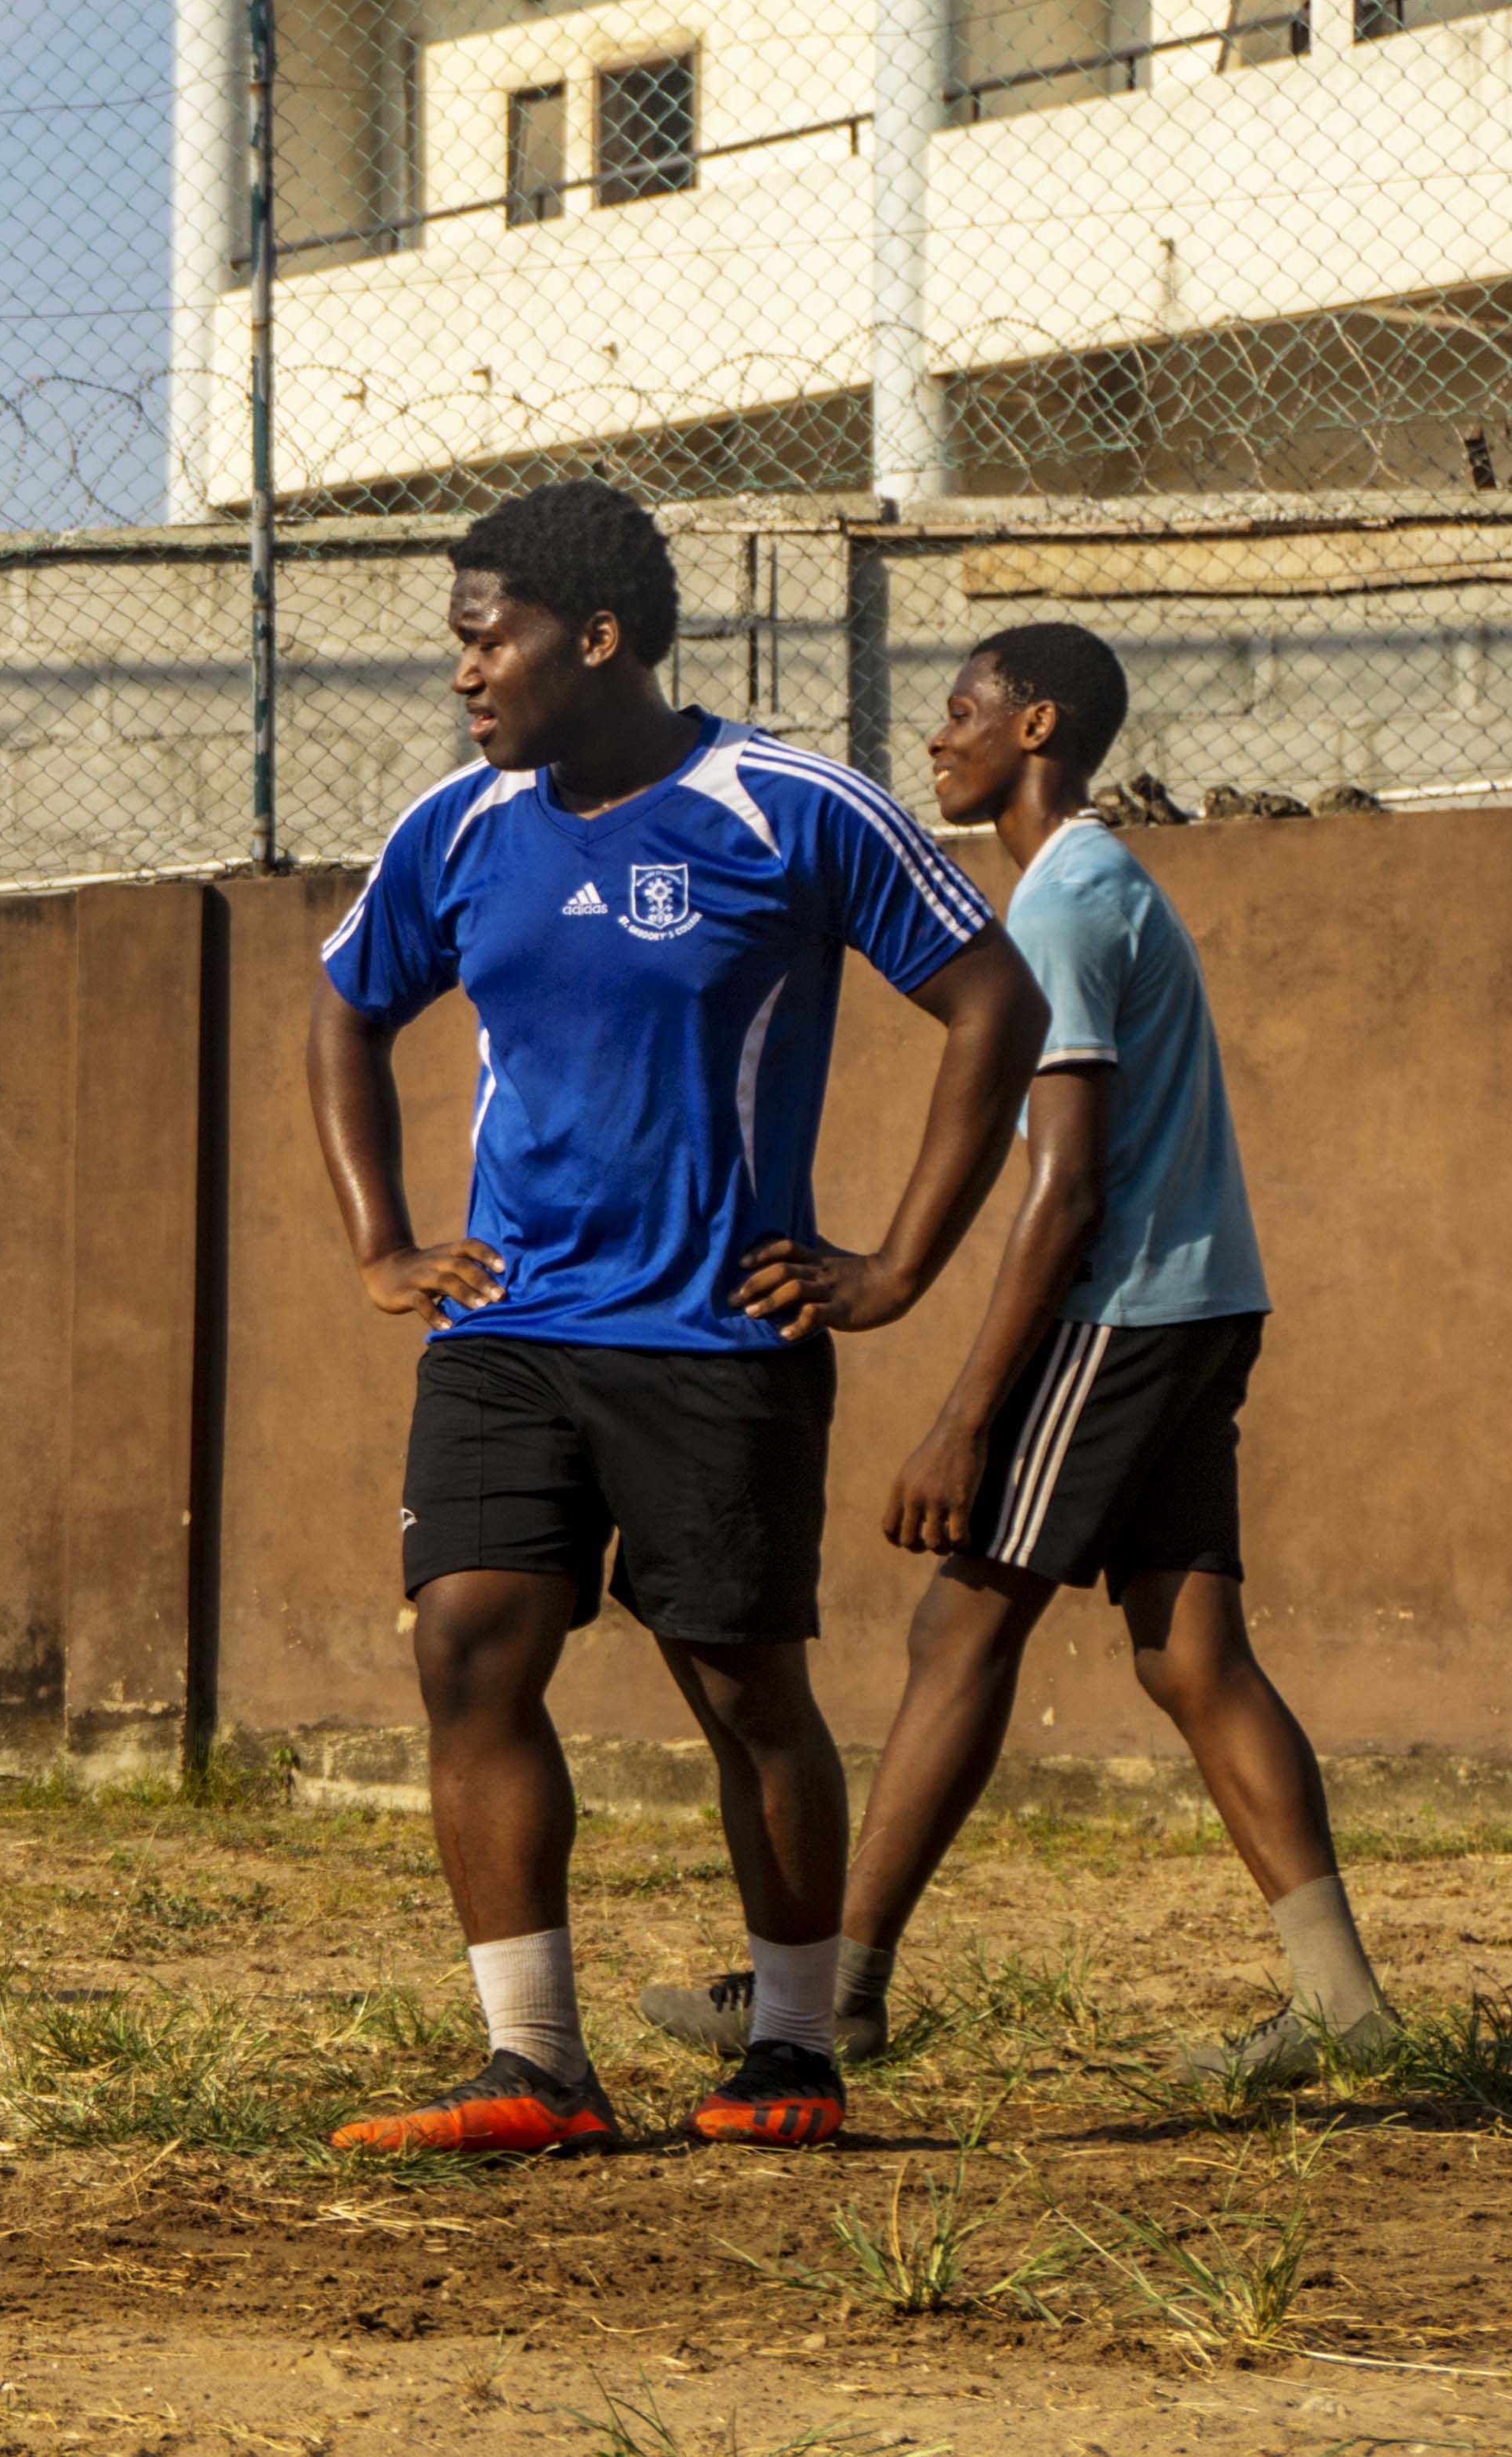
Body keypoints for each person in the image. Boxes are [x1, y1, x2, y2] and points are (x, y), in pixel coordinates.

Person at [309, 482, 1044, 2156]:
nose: (464, 677)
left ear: (598, 636)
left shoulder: (788, 805)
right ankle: (537, 2066)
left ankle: (791, 2050)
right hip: (505, 1327)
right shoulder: (460, 828)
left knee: (740, 1682)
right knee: (466, 1641)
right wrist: (383, 1241)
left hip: (718, 1334)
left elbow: (991, 996)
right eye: (459, 644)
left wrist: (898, 1263)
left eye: (485, 641)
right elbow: (343, 1011)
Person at [638, 624, 1394, 2089]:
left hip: (1119, 1309)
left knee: (959, 1624)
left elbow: (1065, 1183)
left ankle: (834, 1995)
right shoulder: (1087, 888)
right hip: (1194, 1299)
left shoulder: (1063, 904)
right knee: (1190, 1654)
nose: (937, 737)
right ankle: (1344, 2003)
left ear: (1034, 724)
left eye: (962, 709)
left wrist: (963, 1418)